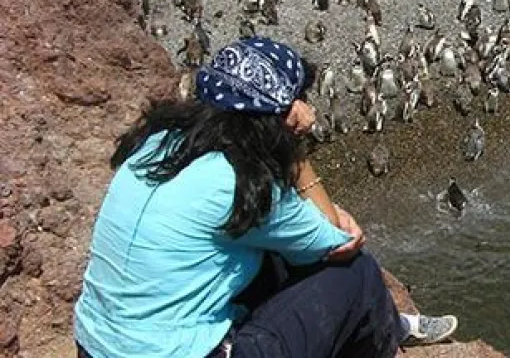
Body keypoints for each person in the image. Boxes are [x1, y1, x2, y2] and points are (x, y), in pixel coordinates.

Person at [74, 37, 458, 358]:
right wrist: (294, 149)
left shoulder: (159, 142)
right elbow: (338, 243)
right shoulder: (244, 182)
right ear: (280, 115)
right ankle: (386, 329)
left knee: (270, 253)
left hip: (93, 347)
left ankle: (388, 319)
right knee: (355, 275)